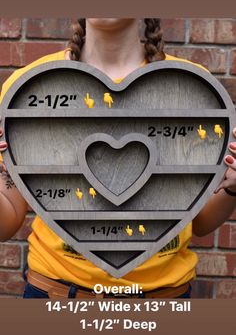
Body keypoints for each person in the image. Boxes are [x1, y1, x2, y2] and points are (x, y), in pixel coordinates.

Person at [1, 18, 236, 299]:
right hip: (56, 295)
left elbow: (199, 222)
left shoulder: (191, 87)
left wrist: (232, 187)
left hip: (164, 299)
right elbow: (7, 223)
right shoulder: (29, 88)